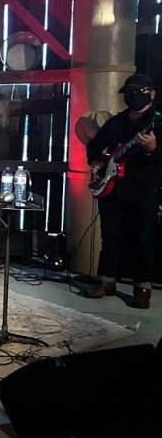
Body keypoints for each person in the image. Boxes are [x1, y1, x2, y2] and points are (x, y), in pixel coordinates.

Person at [86, 73, 162, 309]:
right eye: (129, 94)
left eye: (137, 94)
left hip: (143, 189)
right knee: (110, 236)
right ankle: (106, 280)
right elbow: (95, 145)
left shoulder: (156, 123)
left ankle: (142, 287)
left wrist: (152, 149)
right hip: (113, 188)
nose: (132, 98)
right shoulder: (116, 122)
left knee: (143, 238)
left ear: (151, 94)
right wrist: (96, 161)